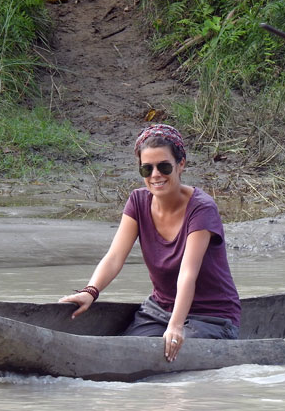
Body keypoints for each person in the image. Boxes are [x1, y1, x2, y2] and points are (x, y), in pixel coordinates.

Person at [60, 123, 241, 362]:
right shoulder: (137, 201)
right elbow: (114, 257)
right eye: (147, 169)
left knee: (162, 359)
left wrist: (176, 327)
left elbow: (188, 273)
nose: (155, 175)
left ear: (181, 165)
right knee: (126, 353)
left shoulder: (202, 208)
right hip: (158, 312)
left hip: (211, 317)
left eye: (164, 166)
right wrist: (90, 292)